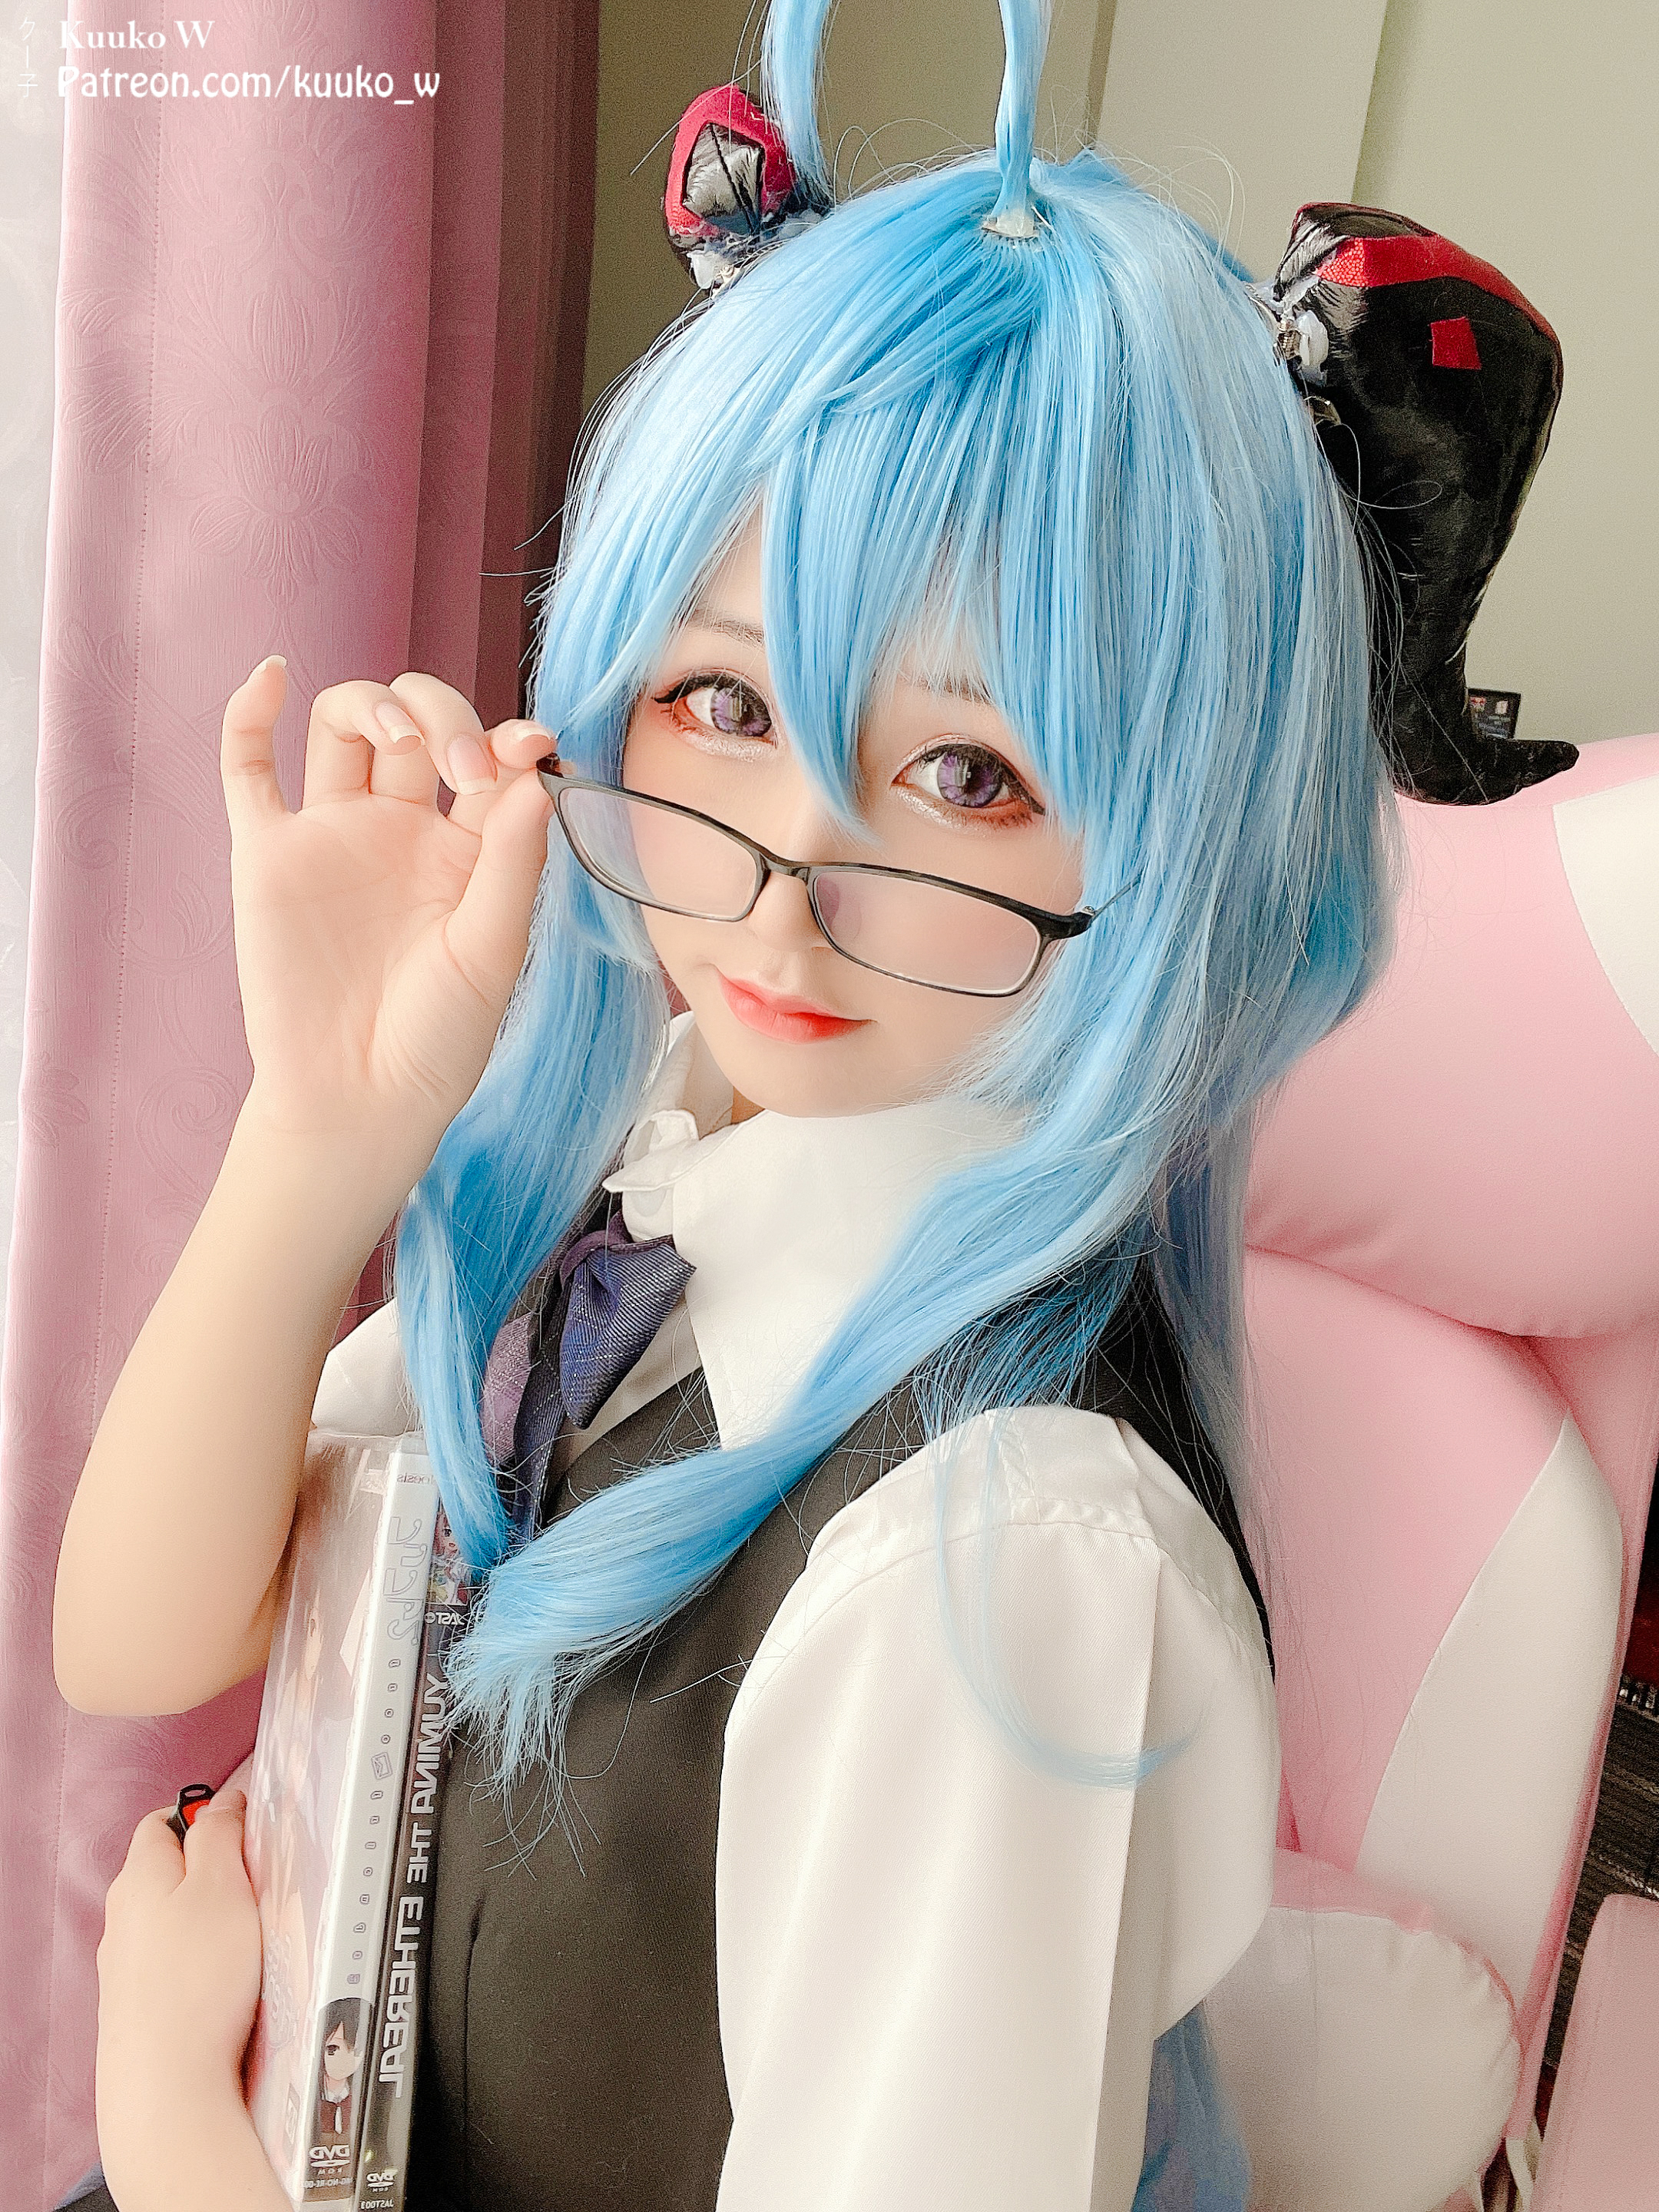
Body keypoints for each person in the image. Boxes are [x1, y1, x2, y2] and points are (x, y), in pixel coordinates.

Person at [55, 0, 1391, 2205]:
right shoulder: (667, 1198)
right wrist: (316, 1139)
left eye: (967, 771)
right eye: (723, 705)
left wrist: (170, 2128)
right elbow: (134, 1643)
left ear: (1181, 847)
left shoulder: (1001, 1565)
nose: (788, 885)